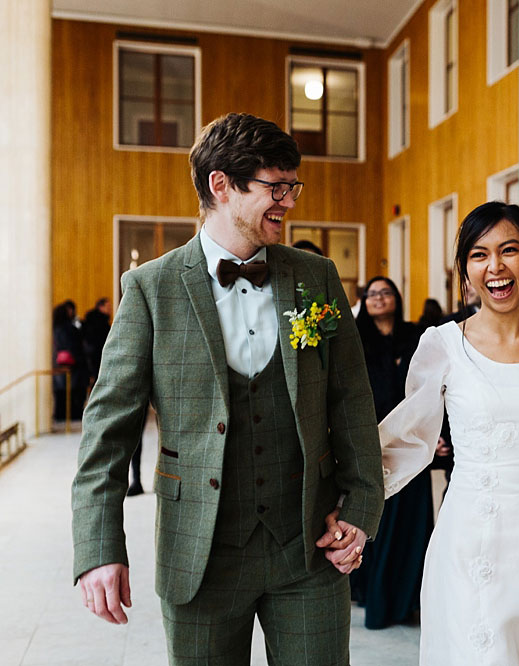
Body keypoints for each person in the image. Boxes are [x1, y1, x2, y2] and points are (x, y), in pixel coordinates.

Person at [71, 113, 383, 666]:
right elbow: (107, 430)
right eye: (275, 187)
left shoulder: (316, 276)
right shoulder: (151, 288)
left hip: (308, 551)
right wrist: (99, 548)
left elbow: (352, 402)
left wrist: (360, 505)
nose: (288, 201)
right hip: (200, 557)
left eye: (293, 186)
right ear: (221, 184)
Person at [380, 201, 519, 665]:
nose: (495, 266)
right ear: (465, 270)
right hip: (470, 537)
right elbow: (408, 436)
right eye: (479, 254)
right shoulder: (441, 344)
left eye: (510, 250)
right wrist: (347, 490)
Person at [350, 276, 434, 629]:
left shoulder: (416, 336)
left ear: (397, 298)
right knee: (376, 524)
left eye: (386, 293)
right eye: (372, 294)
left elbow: (431, 391)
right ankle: (376, 597)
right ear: (364, 302)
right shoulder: (356, 339)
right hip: (372, 441)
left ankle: (409, 601)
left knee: (412, 526)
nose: (379, 299)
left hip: (413, 442)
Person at [53, 300, 86, 420]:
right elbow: (73, 344)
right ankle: (72, 415)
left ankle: (61, 415)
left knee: (61, 393)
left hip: (58, 365)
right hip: (72, 364)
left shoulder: (53, 326)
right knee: (73, 392)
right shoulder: (68, 328)